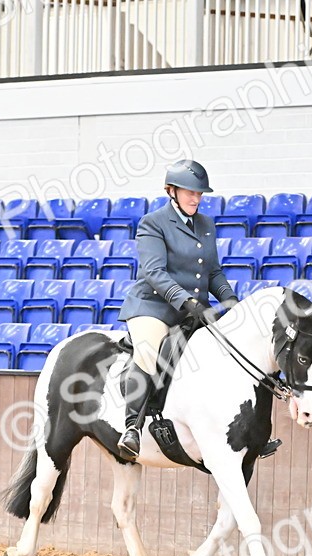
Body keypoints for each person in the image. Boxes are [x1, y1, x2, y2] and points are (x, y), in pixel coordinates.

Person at [115, 159, 237, 462]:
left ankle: (242, 428)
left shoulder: (206, 225)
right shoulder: (153, 222)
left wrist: (231, 300)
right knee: (147, 351)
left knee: (229, 349)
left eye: (199, 194)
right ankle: (132, 427)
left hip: (192, 309)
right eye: (189, 193)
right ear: (172, 191)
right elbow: (155, 272)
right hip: (154, 306)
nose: (195, 199)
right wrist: (185, 301)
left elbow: (213, 272)